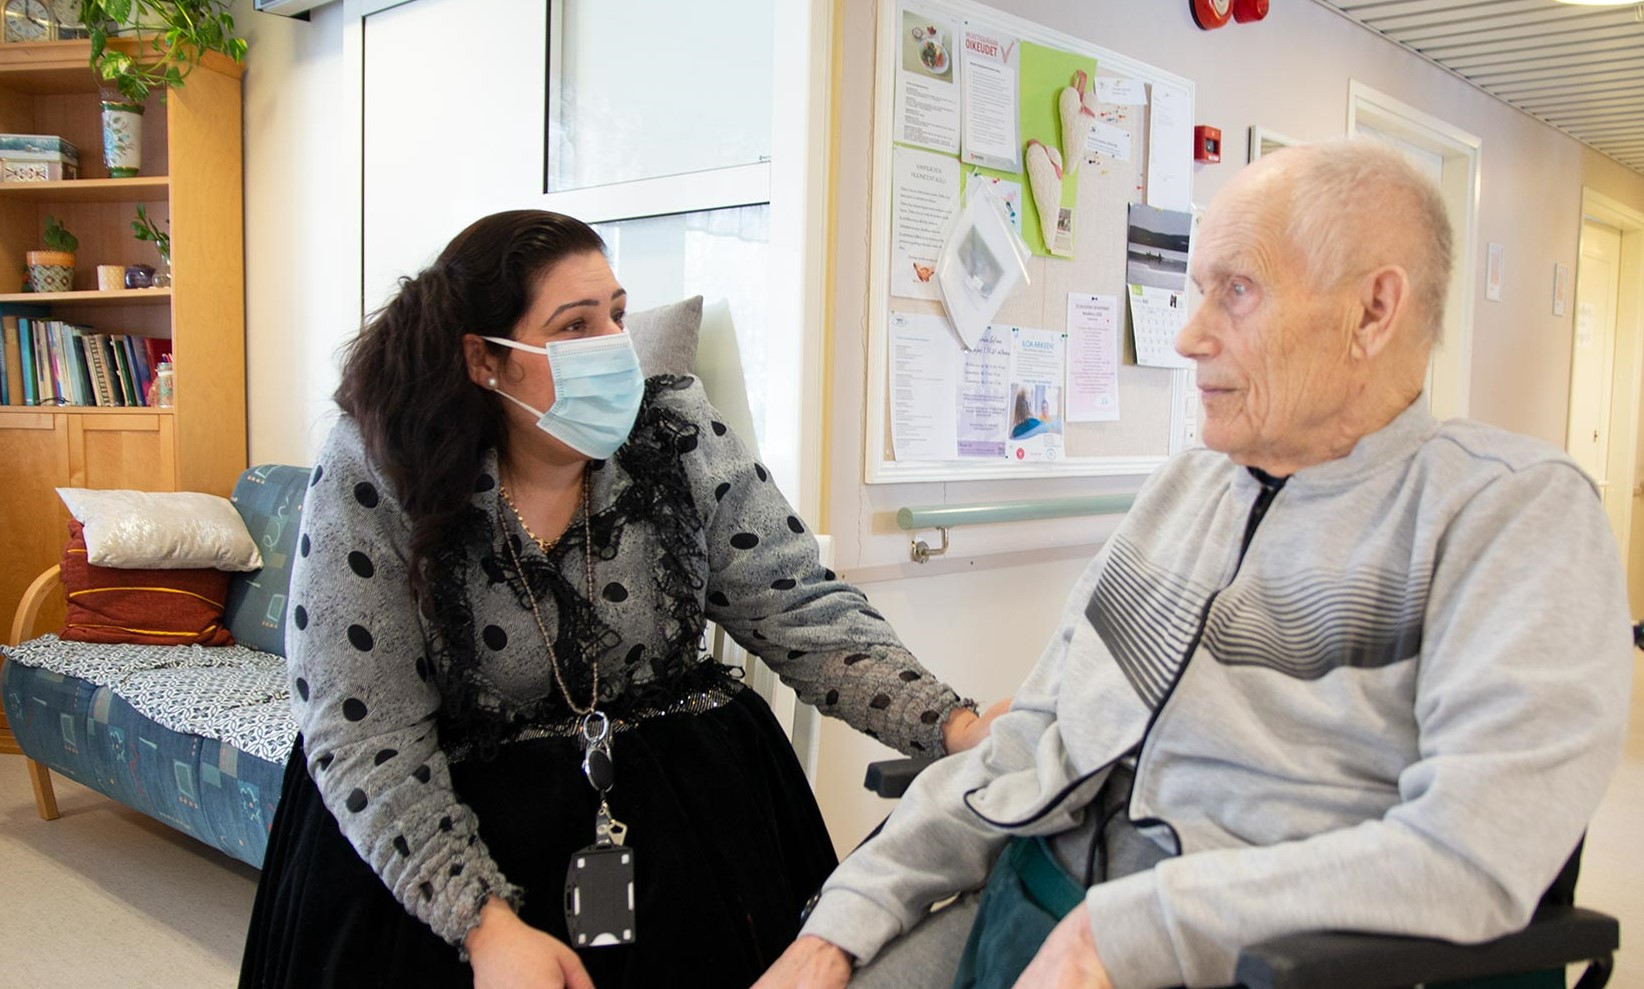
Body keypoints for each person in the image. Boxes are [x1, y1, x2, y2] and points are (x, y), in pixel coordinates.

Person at [756, 139, 1634, 989]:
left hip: (1243, 951)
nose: (1188, 336)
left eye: (1238, 291)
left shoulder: (1510, 513)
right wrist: (846, 917)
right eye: (1196, 291)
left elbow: (1472, 853)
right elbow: (1034, 735)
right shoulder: (1186, 489)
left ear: (1374, 310)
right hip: (1040, 892)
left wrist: (1126, 932)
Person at [238, 210, 998, 989]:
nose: (614, 346)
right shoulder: (380, 467)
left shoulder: (677, 433)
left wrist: (953, 723)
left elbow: (798, 606)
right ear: (484, 360)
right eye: (575, 325)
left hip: (682, 814)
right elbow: (363, 727)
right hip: (449, 828)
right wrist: (483, 921)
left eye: (618, 314)